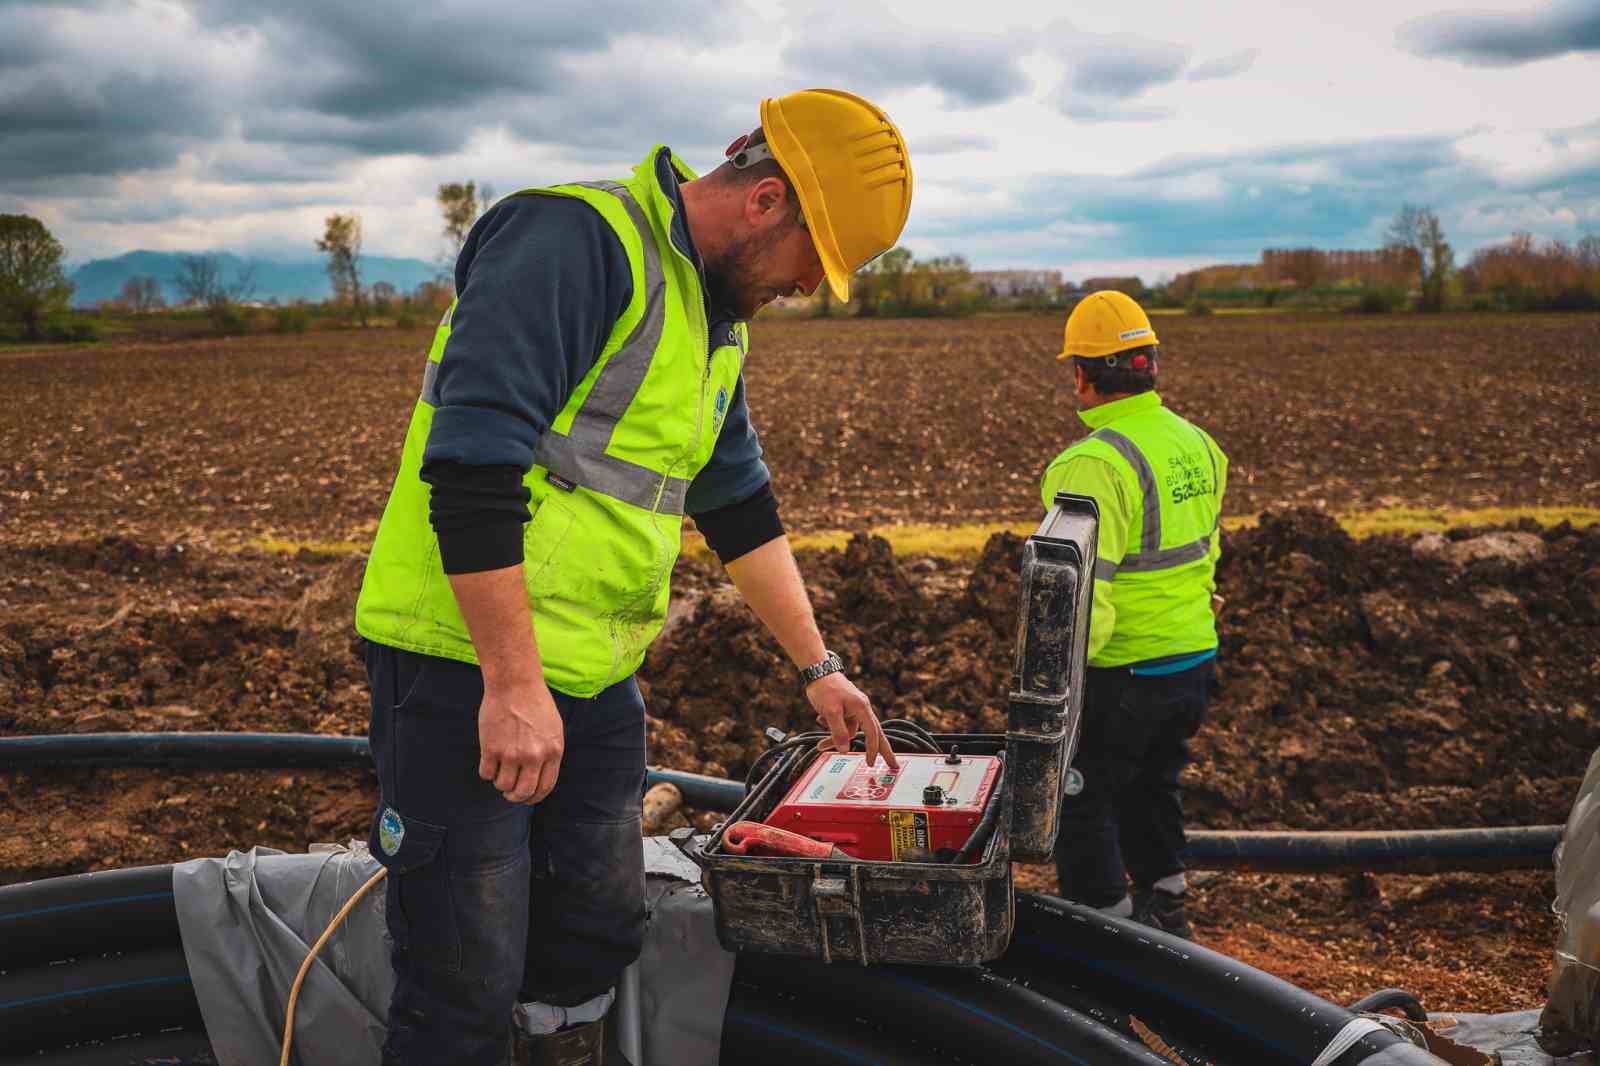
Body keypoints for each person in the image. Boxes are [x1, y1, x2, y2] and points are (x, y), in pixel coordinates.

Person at [353, 88, 912, 1065]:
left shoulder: (713, 324)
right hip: (465, 666)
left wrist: (820, 666)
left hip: (595, 677)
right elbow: (473, 468)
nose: (807, 287)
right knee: (463, 970)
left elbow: (736, 504)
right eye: (812, 264)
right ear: (766, 201)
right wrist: (512, 685)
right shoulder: (574, 242)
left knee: (594, 926)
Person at [1039, 290, 1227, 940]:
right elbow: (1209, 555)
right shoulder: (1198, 445)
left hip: (1125, 671)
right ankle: (1166, 910)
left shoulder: (1092, 463)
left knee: (1081, 803)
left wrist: (1060, 691)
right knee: (1155, 786)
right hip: (1194, 662)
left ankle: (1108, 943)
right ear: (1148, 366)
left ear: (1084, 375)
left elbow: (1083, 596)